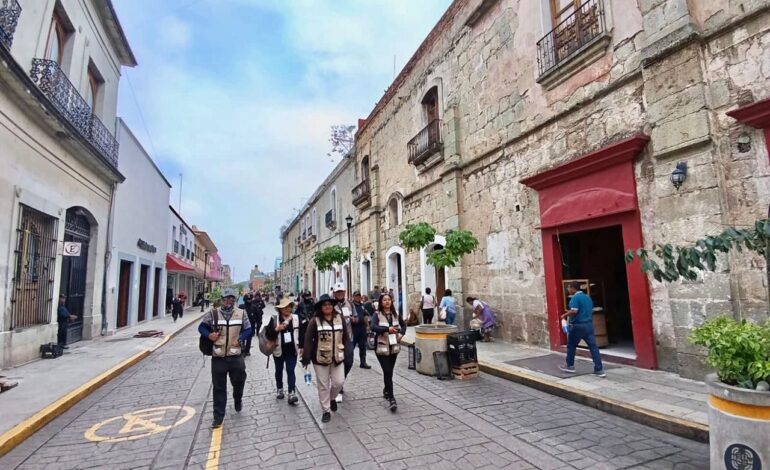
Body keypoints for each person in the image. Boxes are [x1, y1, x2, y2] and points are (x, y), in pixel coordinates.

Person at [198, 288, 251, 428]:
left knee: (239, 380)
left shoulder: (241, 313)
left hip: (235, 355)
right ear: (222, 299)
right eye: (226, 298)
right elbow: (201, 327)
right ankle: (218, 416)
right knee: (219, 388)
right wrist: (209, 335)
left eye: (232, 299)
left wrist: (240, 339)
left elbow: (248, 329)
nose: (229, 301)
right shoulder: (213, 314)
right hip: (219, 356)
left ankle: (237, 398)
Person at [301, 294, 350, 423]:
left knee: (338, 382)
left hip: (337, 357)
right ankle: (326, 410)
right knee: (323, 385)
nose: (327, 307)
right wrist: (306, 357)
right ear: (321, 307)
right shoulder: (315, 321)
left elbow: (345, 336)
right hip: (320, 358)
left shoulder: (340, 318)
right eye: (324, 305)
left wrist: (347, 351)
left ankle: (332, 398)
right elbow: (308, 339)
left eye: (329, 304)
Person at [559, 281, 605, 378]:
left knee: (571, 345)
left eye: (568, 288)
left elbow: (574, 311)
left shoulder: (575, 298)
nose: (568, 290)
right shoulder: (587, 297)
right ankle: (599, 369)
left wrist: (564, 315)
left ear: (572, 288)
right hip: (588, 325)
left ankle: (570, 365)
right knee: (593, 347)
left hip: (578, 325)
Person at [371, 293, 406, 412]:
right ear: (381, 302)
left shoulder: (395, 314)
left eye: (389, 300)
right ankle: (392, 399)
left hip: (393, 347)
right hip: (381, 347)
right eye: (384, 300)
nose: (387, 302)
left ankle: (386, 390)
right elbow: (373, 327)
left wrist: (401, 334)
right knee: (387, 371)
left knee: (389, 371)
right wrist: (387, 329)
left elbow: (404, 325)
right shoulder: (377, 314)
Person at [265, 297, 300, 405]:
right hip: (278, 349)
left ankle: (291, 393)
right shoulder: (274, 319)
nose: (287, 309)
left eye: (289, 307)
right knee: (279, 370)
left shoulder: (295, 318)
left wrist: (302, 347)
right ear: (280, 309)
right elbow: (268, 335)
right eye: (284, 307)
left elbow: (301, 333)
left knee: (290, 370)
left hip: (291, 350)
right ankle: (279, 388)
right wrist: (277, 329)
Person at [332, 283, 355, 402]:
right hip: (335, 339)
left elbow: (356, 317)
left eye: (342, 292)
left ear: (345, 292)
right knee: (337, 362)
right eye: (338, 292)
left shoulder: (350, 304)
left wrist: (353, 319)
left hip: (348, 338)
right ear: (334, 293)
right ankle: (338, 386)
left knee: (349, 361)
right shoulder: (330, 305)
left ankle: (341, 381)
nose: (340, 294)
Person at [351, 291, 371, 369]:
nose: (358, 297)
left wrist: (368, 326)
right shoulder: (351, 306)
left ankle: (363, 362)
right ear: (353, 297)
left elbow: (366, 315)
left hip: (362, 329)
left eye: (359, 296)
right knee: (351, 347)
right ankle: (349, 361)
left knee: (363, 346)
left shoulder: (362, 306)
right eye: (356, 296)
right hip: (354, 329)